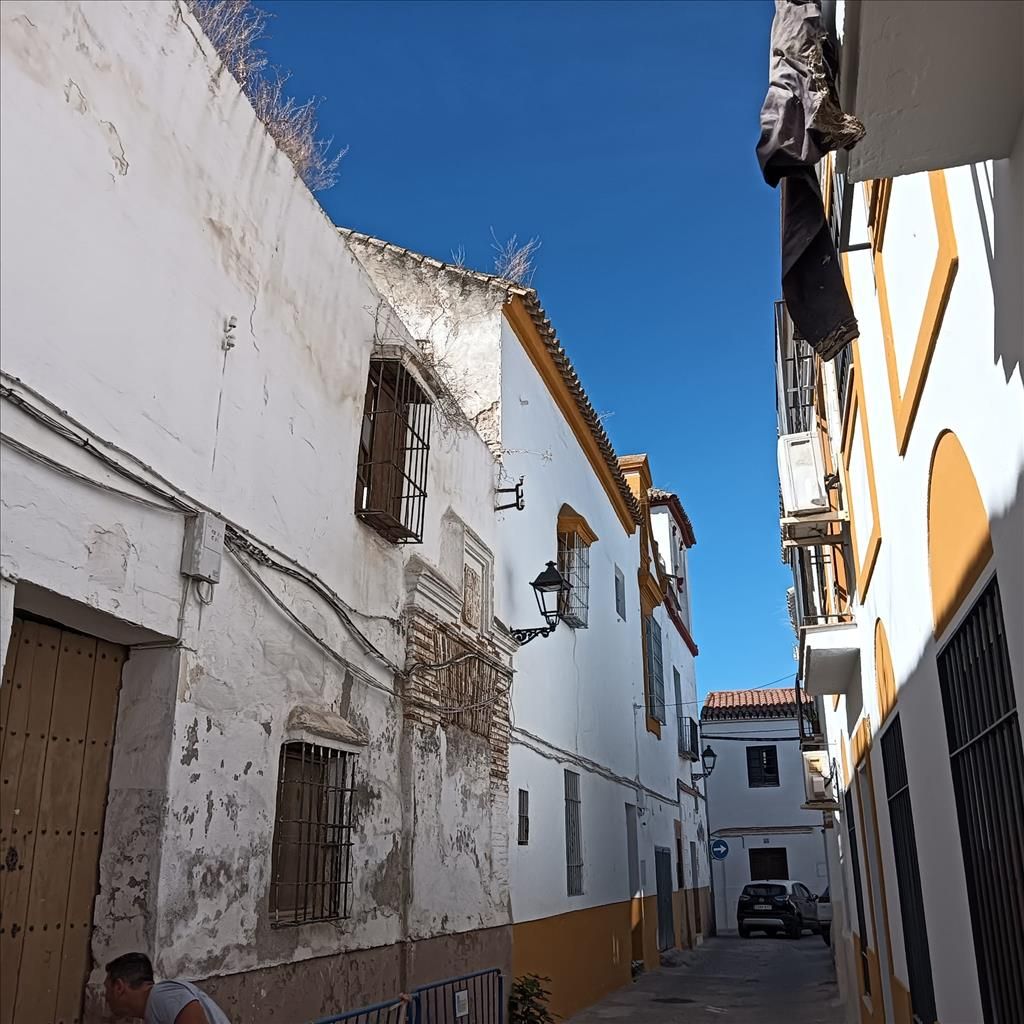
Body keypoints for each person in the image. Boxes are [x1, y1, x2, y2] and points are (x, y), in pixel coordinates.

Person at [104, 952, 230, 1024]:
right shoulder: (154, 1008)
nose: (106, 997)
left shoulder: (161, 996)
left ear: (119, 987)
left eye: (107, 988)